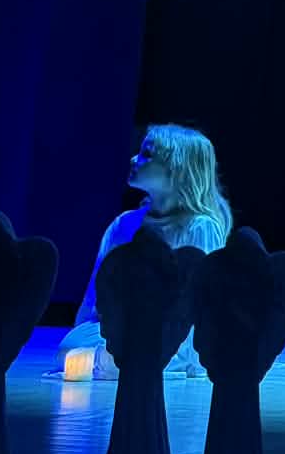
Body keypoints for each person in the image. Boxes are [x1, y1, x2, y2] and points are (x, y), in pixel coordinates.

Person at [56, 124, 231, 378]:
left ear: (176, 169)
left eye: (146, 154)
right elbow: (94, 296)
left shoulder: (200, 227)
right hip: (117, 326)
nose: (133, 159)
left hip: (170, 331)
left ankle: (131, 359)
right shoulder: (124, 224)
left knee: (150, 348)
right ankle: (121, 357)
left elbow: (200, 306)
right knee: (72, 348)